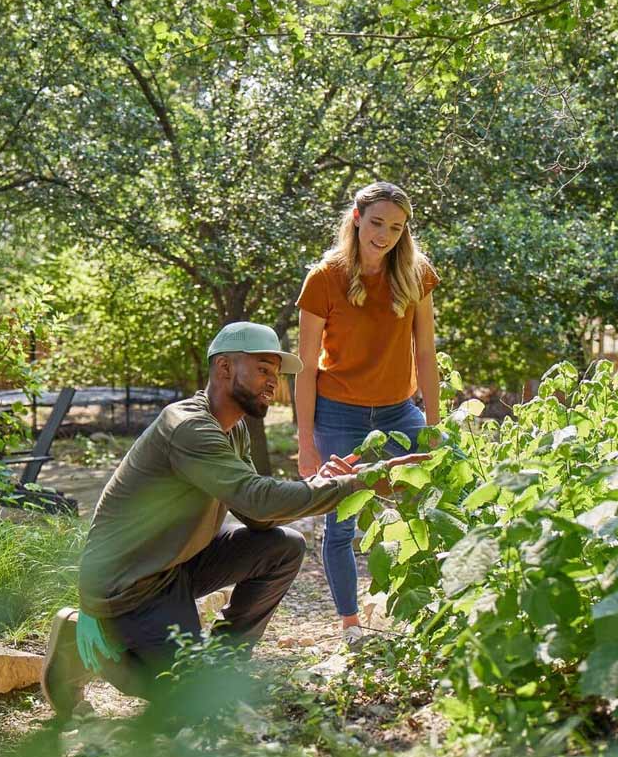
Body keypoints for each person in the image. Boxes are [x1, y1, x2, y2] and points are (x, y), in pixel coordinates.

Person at [41, 321, 427, 720]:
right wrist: (362, 481)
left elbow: (258, 517)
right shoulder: (188, 427)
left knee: (283, 546)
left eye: (275, 374)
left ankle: (222, 665)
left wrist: (320, 484)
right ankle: (81, 645)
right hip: (129, 584)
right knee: (189, 699)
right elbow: (258, 502)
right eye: (263, 369)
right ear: (224, 368)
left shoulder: (234, 428)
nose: (272, 384)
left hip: (175, 564)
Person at [295, 181, 440, 645]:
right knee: (340, 524)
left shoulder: (417, 275)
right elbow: (303, 370)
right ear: (357, 218)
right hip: (338, 416)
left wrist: (434, 427)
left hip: (400, 413)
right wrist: (304, 443)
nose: (385, 235)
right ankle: (351, 625)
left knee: (439, 495)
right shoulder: (324, 279)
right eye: (377, 223)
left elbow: (426, 356)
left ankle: (431, 607)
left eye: (396, 228)